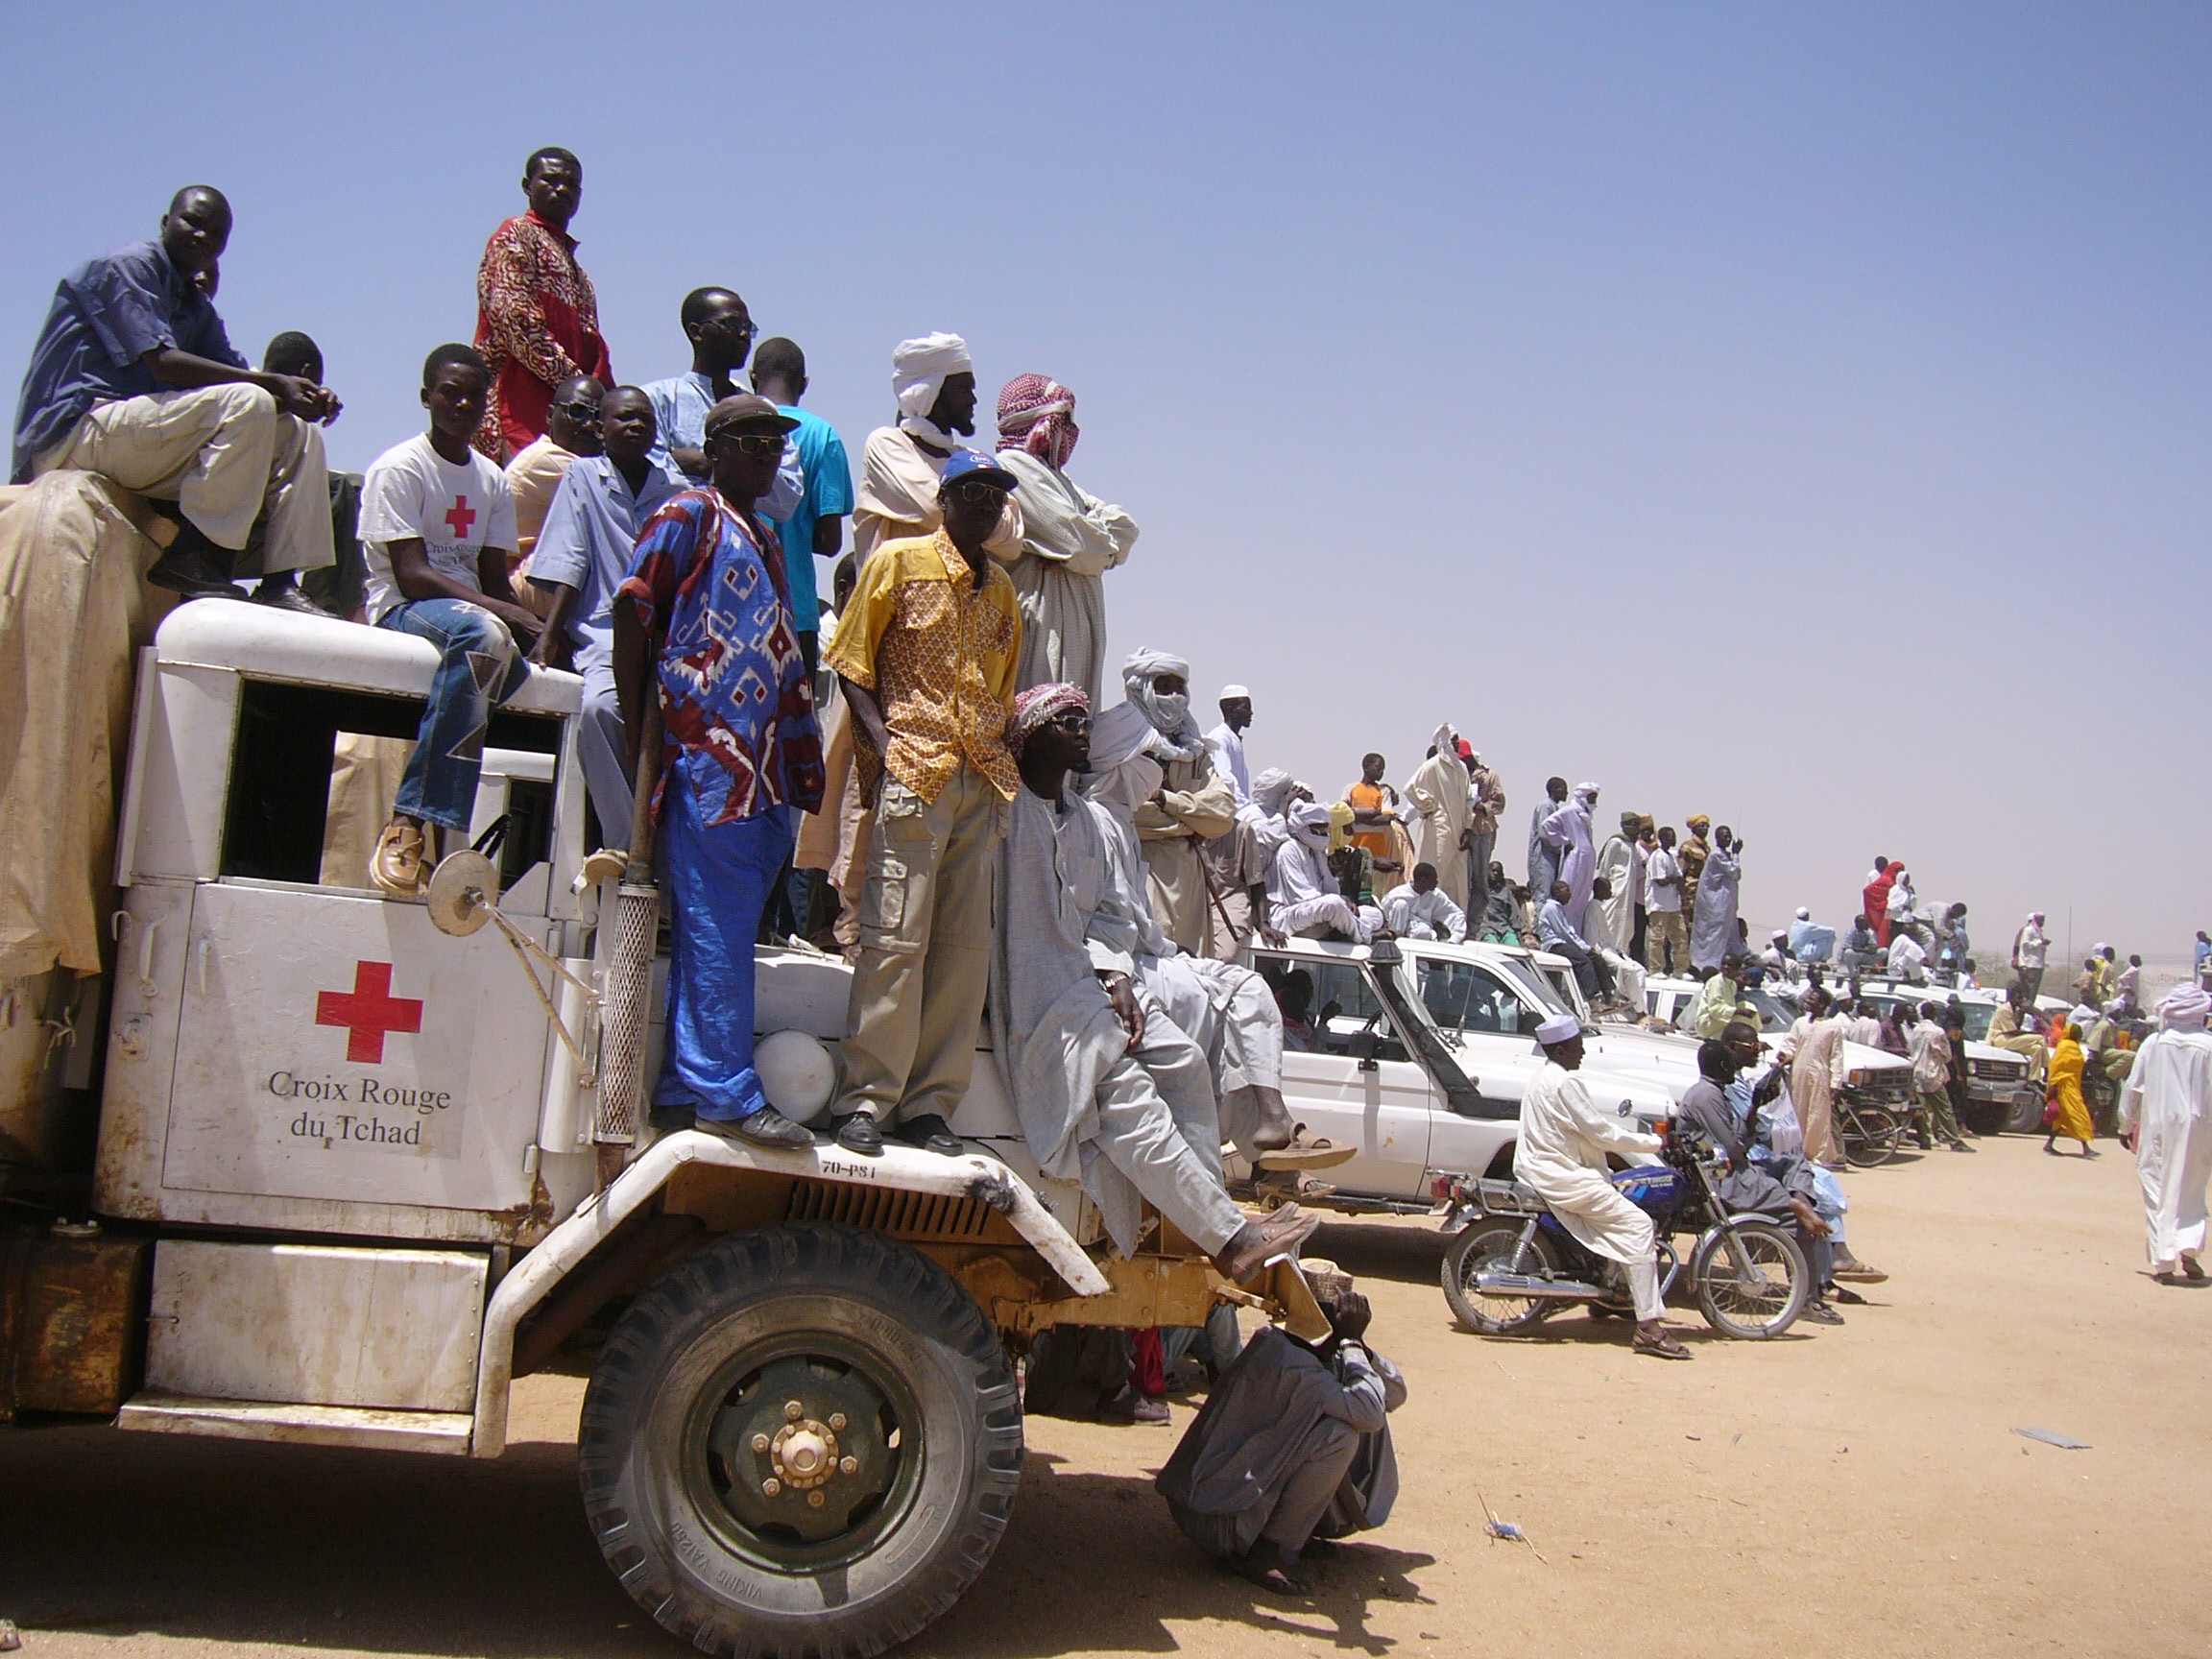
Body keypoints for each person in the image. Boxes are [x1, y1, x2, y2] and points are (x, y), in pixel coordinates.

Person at [990, 681, 1322, 1276]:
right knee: (1129, 1098)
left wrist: (1114, 975)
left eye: (1085, 721)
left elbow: (1112, 918)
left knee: (1187, 1063)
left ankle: (1205, 1216)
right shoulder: (1006, 816)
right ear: (1031, 736)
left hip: (1089, 987)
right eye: (1067, 722)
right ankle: (1227, 1240)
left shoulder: (1088, 822)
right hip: (1040, 1004)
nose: (1082, 731)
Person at [612, 395, 823, 1146]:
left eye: (776, 443)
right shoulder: (687, 515)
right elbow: (633, 613)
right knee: (720, 930)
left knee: (721, 924)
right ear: (719, 446)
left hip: (764, 764)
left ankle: (680, 1085)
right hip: (711, 761)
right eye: (754, 441)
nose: (768, 454)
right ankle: (726, 1095)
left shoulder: (764, 533)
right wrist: (650, 730)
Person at [824, 449, 1022, 1156]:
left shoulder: (1002, 591)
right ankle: (866, 1100)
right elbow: (852, 664)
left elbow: (1002, 689)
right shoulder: (897, 562)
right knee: (895, 940)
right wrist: (889, 749)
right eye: (971, 492)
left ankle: (929, 1105)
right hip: (918, 769)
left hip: (982, 779)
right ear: (943, 498)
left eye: (995, 496)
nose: (985, 505)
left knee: (963, 951)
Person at [12, 185, 340, 606]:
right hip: (75, 430)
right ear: (165, 223)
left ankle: (280, 582)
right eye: (193, 222)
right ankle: (196, 558)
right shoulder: (129, 268)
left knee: (298, 430)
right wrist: (276, 386)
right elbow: (164, 364)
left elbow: (239, 376)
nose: (204, 236)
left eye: (217, 233)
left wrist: (305, 398)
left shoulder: (194, 305)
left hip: (129, 439)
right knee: (251, 401)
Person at [358, 345, 542, 895]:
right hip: (404, 610)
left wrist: (529, 629)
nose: (462, 403)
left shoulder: (491, 480)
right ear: (426, 397)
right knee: (486, 635)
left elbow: (489, 578)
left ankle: (452, 843)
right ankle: (410, 822)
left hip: (469, 616)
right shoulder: (400, 467)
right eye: (449, 391)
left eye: (474, 394)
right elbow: (412, 575)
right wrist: (510, 613)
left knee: (530, 665)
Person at [1156, 1262, 1405, 1597]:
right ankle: (1267, 1551)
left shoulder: (1310, 1350)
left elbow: (1395, 1393)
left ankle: (1289, 1533)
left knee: (1358, 1399)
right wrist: (1352, 1345)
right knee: (1340, 1434)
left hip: (1216, 1508)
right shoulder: (1289, 1361)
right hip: (1212, 1518)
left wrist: (1358, 1346)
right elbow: (1371, 1411)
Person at [526, 386, 679, 845]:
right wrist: (549, 635)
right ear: (599, 427)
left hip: (668, 641)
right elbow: (571, 559)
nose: (635, 427)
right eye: (623, 419)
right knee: (598, 710)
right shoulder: (583, 477)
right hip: (605, 635)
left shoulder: (676, 490)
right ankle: (626, 845)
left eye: (645, 421)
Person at [1516, 1016, 1688, 1358]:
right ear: (1562, 1049)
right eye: (1578, 1047)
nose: (1582, 1053)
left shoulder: (1543, 1078)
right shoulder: (1565, 1083)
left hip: (1546, 1170)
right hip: (1563, 1176)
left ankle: (1616, 1296)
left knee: (1622, 1216)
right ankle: (1650, 1328)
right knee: (1638, 1225)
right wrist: (1655, 1144)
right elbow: (1602, 1134)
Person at [1676, 1040, 1844, 1325]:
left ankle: (1800, 1200)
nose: (1735, 1067)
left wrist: (1756, 1105)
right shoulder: (1706, 1096)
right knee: (1795, 1223)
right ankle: (1807, 1299)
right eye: (1730, 1063)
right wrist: (1750, 1123)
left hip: (1737, 1167)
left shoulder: (1717, 1093)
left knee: (1795, 1164)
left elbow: (1741, 1138)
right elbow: (1733, 1148)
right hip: (1722, 1178)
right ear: (1721, 1066)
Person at [992, 373, 1136, 702]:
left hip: (1078, 624)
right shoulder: (1012, 468)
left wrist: (1089, 547)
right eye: (1064, 420)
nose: (1070, 432)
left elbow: (1125, 529)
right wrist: (1090, 548)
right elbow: (1079, 544)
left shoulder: (1062, 482)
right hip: (1042, 626)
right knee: (1042, 723)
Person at [1084, 650, 1238, 954]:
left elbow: (1223, 814)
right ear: (1142, 690)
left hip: (1191, 884)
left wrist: (1164, 798)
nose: (1175, 696)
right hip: (1140, 873)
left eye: (1179, 688)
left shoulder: (1195, 748)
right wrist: (1191, 821)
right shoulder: (1119, 739)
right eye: (1164, 687)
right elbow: (1119, 810)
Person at [471, 148, 611, 460]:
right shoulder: (514, 236)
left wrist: (604, 401)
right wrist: (581, 388)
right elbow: (516, 323)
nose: (561, 189)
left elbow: (592, 346)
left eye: (571, 184)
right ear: (527, 185)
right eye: (550, 180)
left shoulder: (579, 273)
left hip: (570, 418)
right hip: (517, 409)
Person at [852, 333, 1022, 565]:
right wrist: (990, 516)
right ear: (932, 390)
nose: (973, 400)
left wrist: (969, 513)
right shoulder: (886, 444)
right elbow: (934, 509)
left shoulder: (963, 458)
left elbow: (1013, 542)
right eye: (963, 388)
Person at [640, 289, 804, 517]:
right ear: (697, 332)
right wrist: (748, 468)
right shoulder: (657, 400)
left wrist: (706, 464)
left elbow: (787, 499)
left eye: (749, 327)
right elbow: (651, 485)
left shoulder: (763, 411)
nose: (744, 335)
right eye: (733, 324)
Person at [748, 337, 854, 678]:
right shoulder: (823, 436)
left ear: (753, 378)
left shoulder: (735, 425)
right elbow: (829, 541)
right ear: (804, 384)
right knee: (793, 725)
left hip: (736, 608)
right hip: (797, 609)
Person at [2119, 985, 2212, 1283]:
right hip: (2199, 1129)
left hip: (2158, 1128)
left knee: (2158, 1191)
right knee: (2191, 1191)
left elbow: (2133, 1087)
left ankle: (2164, 1263)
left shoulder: (2154, 1043)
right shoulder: (2208, 1046)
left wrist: (2125, 1124)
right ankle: (2188, 1251)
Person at [503, 373, 603, 570]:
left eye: (598, 416)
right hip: (514, 580)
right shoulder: (547, 460)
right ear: (550, 415)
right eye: (577, 411)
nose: (589, 425)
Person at [1269, 803, 1370, 941]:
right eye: (1318, 829)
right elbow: (1300, 896)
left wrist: (1346, 901)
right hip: (1288, 914)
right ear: (1303, 827)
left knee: (1373, 913)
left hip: (1312, 908)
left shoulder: (1317, 851)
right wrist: (1340, 902)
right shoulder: (1289, 850)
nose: (1323, 835)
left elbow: (1329, 888)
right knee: (1333, 904)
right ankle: (1361, 937)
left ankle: (1352, 927)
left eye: (1325, 830)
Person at [1779, 985, 1849, 1167]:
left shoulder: (1833, 1026)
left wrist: (1835, 1083)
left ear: (1823, 1004)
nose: (1809, 1001)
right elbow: (1791, 1045)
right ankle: (1800, 1152)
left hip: (1820, 1075)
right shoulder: (1800, 1023)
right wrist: (1784, 1056)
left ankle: (1817, 1156)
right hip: (1799, 1074)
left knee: (1818, 1116)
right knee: (1798, 1112)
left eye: (1813, 998)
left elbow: (1836, 1056)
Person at [1405, 726, 1472, 910]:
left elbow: (1468, 800)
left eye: (1458, 739)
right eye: (1454, 739)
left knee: (1457, 879)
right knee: (1436, 875)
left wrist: (1468, 828)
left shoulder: (1462, 768)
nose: (1457, 743)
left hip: (1459, 832)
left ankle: (1454, 921)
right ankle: (1425, 917)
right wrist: (1428, 806)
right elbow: (1410, 788)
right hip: (1439, 830)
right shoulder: (1432, 766)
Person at [1343, 753, 1413, 899]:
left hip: (1377, 844)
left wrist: (1358, 818)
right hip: (1355, 843)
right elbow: (1344, 813)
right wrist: (1372, 813)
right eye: (1378, 768)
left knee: (1376, 890)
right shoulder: (1351, 788)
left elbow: (1386, 818)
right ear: (1366, 767)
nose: (1381, 772)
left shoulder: (1383, 791)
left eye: (1383, 769)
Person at [1906, 1000, 1972, 1151]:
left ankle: (1925, 1139)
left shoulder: (1915, 1031)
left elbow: (1910, 1048)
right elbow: (1947, 1055)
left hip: (1916, 1072)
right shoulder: (1938, 1032)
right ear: (1934, 1015)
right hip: (1933, 1073)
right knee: (1944, 1108)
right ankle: (1954, 1141)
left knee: (1921, 1109)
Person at [1536, 879, 1614, 1005]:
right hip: (1554, 945)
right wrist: (1585, 948)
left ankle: (1609, 994)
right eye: (1567, 891)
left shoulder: (1559, 908)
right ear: (1557, 892)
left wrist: (1587, 949)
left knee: (1597, 959)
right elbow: (1565, 932)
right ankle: (1592, 999)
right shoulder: (1550, 908)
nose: (1570, 895)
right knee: (1584, 961)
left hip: (1563, 943)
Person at [1540, 781, 1600, 933]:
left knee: (1582, 899)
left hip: (1587, 861)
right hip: (1575, 860)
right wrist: (1564, 841)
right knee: (1569, 898)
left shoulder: (1586, 815)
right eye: (1591, 797)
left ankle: (1576, 934)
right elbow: (1547, 825)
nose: (1593, 801)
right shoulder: (1570, 811)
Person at [1688, 825, 1743, 974]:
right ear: (1717, 839)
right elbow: (1735, 873)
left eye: (1729, 836)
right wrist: (1737, 854)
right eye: (1724, 836)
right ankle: (1705, 966)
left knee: (1726, 935)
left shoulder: (1725, 855)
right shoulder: (1717, 855)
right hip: (1715, 905)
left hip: (1725, 904)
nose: (1728, 839)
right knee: (1713, 936)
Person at [1463, 748, 1506, 918]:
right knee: (1463, 877)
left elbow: (1500, 803)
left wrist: (1481, 806)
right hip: (1462, 829)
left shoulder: (1490, 775)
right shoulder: (1460, 775)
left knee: (1480, 877)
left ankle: (1478, 920)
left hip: (1482, 828)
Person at [2044, 1022, 2098, 1158]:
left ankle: (2049, 1144)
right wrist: (2054, 1086)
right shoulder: (2065, 1046)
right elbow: (2056, 1067)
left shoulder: (2074, 1047)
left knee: (2061, 1119)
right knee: (2079, 1115)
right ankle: (2086, 1149)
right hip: (2063, 1087)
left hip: (2072, 1086)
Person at [1591, 811, 1638, 958]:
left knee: (1626, 924)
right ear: (1623, 825)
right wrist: (1603, 887)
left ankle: (1621, 951)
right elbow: (1605, 865)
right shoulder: (1616, 842)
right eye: (1631, 824)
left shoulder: (1632, 844)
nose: (1634, 827)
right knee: (1610, 921)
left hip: (1628, 892)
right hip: (1615, 888)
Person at [1643, 826, 1687, 975]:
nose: (1673, 839)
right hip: (1658, 905)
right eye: (1670, 836)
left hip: (1673, 905)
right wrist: (1673, 879)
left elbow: (1679, 878)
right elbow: (1661, 880)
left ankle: (1680, 969)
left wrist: (1683, 897)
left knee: (1680, 938)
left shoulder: (1671, 857)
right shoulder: (1657, 856)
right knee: (1657, 939)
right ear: (1662, 839)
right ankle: (1656, 969)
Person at [1381, 862, 1464, 941]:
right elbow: (1383, 912)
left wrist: (1455, 939)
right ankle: (1397, 939)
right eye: (1434, 880)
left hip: (1419, 931)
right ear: (1423, 880)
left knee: (1424, 932)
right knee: (1400, 905)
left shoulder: (1436, 895)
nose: (1436, 882)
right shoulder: (1397, 894)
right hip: (1396, 929)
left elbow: (1455, 914)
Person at [1988, 983, 2049, 1082]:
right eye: (2019, 997)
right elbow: (2013, 1032)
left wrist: (2021, 1013)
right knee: (2040, 1038)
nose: (2021, 1000)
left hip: (2009, 1038)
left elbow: (2016, 1027)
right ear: (2012, 996)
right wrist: (2033, 1034)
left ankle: (2033, 1078)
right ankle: (2048, 1070)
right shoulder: (2004, 1009)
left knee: (2037, 1048)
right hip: (1999, 1039)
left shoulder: (2014, 1009)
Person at [1206, 687, 1254, 805]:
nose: (1251, 712)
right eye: (1246, 708)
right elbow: (1225, 780)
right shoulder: (1220, 737)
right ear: (1231, 710)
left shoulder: (1233, 738)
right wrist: (1246, 808)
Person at [1526, 777, 1569, 899]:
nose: (1566, 793)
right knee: (1542, 896)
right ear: (1555, 789)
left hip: (1551, 859)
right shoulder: (1546, 806)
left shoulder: (1554, 807)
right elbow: (1545, 834)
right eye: (1564, 789)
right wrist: (1560, 847)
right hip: (1542, 859)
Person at [1690, 954, 1747, 1040]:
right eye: (1723, 964)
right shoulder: (1717, 982)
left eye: (1729, 965)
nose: (1725, 967)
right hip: (1708, 1025)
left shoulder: (1732, 984)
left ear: (1738, 969)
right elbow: (1715, 1008)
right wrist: (1738, 1011)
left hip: (1720, 1024)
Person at [1677, 814, 1711, 926]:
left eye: (1707, 826)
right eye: (1702, 826)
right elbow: (1680, 873)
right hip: (1689, 894)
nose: (1705, 829)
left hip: (1702, 896)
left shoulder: (1706, 849)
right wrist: (1683, 898)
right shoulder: (1687, 847)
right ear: (1694, 828)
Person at [2012, 912, 2050, 999]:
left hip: (2038, 965)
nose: (2042, 922)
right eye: (2040, 920)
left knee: (2033, 994)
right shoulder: (2028, 930)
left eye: (2043, 920)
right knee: (2028, 993)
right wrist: (2040, 942)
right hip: (2030, 965)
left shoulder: (2038, 932)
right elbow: (2025, 945)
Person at [1863, 856, 1897, 949]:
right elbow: (1871, 890)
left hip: (1884, 906)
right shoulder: (1873, 875)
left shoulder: (1888, 875)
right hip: (1873, 904)